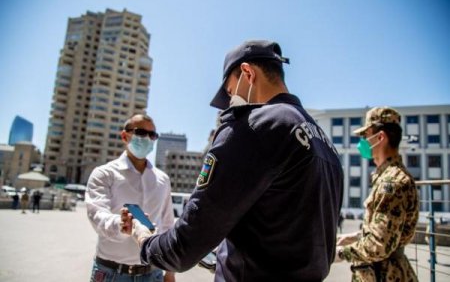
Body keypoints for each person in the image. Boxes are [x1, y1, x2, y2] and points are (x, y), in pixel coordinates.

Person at [121, 40, 344, 281]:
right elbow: (288, 232)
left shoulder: (254, 127)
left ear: (247, 73)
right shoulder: (323, 141)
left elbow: (183, 247)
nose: (229, 102)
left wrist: (144, 239)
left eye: (230, 92)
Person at [86, 114, 175, 282]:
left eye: (152, 135)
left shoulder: (163, 180)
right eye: (141, 132)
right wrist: (120, 224)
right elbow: (96, 214)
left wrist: (169, 271)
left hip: (153, 273)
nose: (147, 139)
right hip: (111, 273)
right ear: (124, 136)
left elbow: (167, 225)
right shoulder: (104, 174)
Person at [334, 107, 419, 282]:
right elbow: (385, 230)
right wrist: (351, 237)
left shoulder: (392, 183)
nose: (362, 142)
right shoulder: (387, 176)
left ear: (380, 137)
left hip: (384, 274)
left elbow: (379, 244)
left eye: (366, 136)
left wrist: (339, 254)